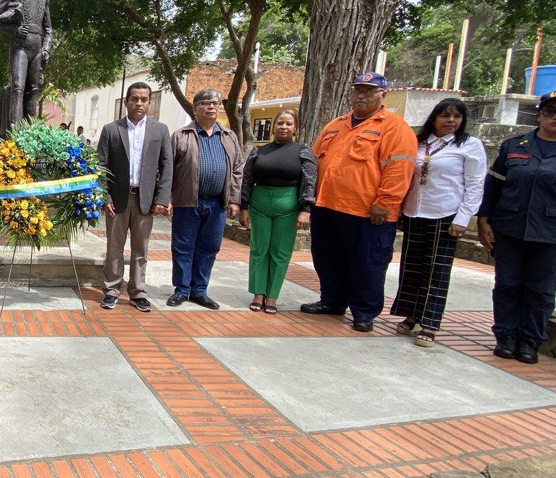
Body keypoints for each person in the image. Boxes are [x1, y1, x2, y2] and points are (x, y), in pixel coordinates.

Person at [478, 90, 556, 364]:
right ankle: (505, 337)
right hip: (511, 228)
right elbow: (494, 187)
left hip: (555, 234)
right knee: (507, 285)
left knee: (541, 291)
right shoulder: (515, 145)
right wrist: (483, 220)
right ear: (539, 114)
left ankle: (529, 341)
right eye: (550, 111)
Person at [301, 72, 416, 332]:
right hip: (327, 206)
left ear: (382, 95)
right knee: (328, 258)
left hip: (367, 212)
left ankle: (364, 312)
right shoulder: (335, 125)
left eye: (369, 90)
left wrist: (385, 204)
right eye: (358, 90)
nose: (361, 95)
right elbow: (312, 161)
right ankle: (332, 301)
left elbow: (399, 170)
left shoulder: (395, 128)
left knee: (367, 263)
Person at [390, 98, 486, 346]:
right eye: (445, 115)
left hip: (445, 215)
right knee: (412, 267)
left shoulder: (469, 146)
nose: (451, 121)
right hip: (415, 213)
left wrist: (463, 218)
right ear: (434, 118)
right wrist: (400, 209)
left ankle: (430, 322)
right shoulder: (419, 143)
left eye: (457, 116)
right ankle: (412, 314)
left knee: (437, 270)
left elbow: (475, 186)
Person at [97, 82, 173, 311]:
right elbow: (100, 166)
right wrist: (104, 196)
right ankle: (111, 290)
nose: (139, 103)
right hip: (118, 199)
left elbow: (167, 165)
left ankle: (138, 292)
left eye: (144, 99)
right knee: (114, 248)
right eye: (134, 99)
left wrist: (162, 198)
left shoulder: (160, 130)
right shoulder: (111, 129)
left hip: (146, 201)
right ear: (127, 101)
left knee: (141, 249)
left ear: (149, 102)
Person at [166, 89, 242, 309]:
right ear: (195, 108)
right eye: (206, 103)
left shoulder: (229, 136)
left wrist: (234, 200)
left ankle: (199, 290)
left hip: (217, 203)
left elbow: (238, 169)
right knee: (183, 247)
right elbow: (168, 169)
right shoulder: (181, 136)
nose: (212, 107)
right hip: (187, 202)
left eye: (215, 103)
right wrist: (167, 198)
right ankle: (181, 290)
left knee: (209, 247)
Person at [238, 108, 316, 314]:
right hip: (260, 204)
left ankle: (272, 296)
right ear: (273, 126)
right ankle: (258, 293)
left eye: (289, 124)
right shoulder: (259, 151)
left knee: (280, 252)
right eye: (280, 123)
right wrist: (244, 206)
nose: (284, 127)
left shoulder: (303, 151)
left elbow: (309, 181)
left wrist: (306, 209)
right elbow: (247, 179)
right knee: (259, 250)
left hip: (288, 206)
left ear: (295, 128)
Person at [0, 0, 52, 127]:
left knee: (33, 90)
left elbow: (48, 28)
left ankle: (30, 132)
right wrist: (15, 31)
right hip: (20, 46)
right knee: (18, 87)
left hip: (38, 48)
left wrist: (47, 48)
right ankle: (14, 133)